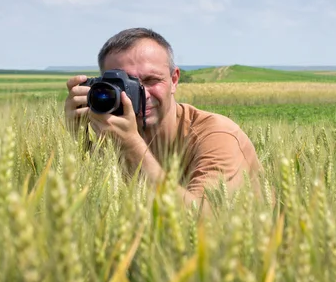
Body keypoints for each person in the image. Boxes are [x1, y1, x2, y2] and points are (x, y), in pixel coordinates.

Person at [64, 28, 262, 213]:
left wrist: (132, 147)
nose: (142, 94)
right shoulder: (107, 136)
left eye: (151, 80)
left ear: (174, 80)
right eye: (124, 84)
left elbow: (205, 221)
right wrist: (81, 141)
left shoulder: (218, 136)